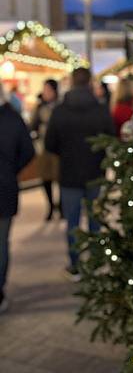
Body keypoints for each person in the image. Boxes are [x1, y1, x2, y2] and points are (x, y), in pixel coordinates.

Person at [45, 67, 115, 281]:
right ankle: (94, 262)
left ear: (72, 82)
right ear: (89, 83)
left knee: (73, 223)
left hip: (69, 174)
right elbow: (110, 137)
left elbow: (50, 143)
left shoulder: (59, 111)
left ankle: (75, 266)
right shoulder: (100, 110)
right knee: (95, 220)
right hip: (95, 171)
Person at [0, 82, 35, 313]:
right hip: (5, 187)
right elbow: (29, 151)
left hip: (5, 186)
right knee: (1, 243)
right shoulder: (13, 118)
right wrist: (12, 170)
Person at [30, 79, 62, 220]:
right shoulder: (39, 107)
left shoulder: (60, 107)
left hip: (59, 148)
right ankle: (50, 205)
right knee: (46, 178)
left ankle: (61, 206)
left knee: (59, 177)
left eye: (48, 90)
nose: (46, 93)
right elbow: (33, 125)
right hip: (44, 147)